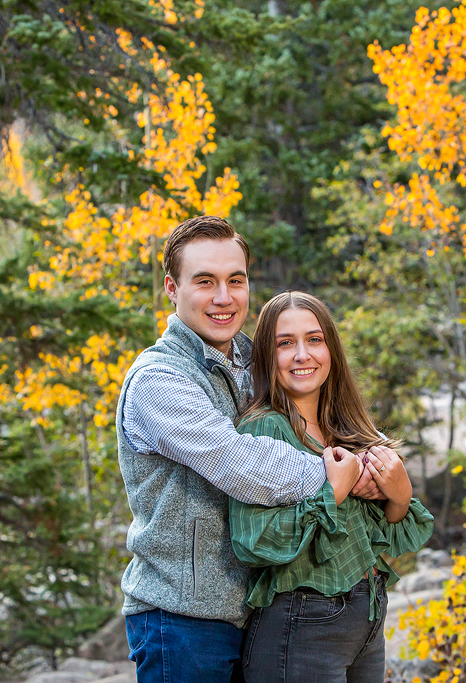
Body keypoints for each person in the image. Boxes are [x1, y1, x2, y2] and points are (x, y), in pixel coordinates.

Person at [116, 217, 381, 683]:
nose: (224, 297)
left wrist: (378, 463)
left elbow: (317, 415)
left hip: (262, 612)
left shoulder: (255, 360)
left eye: (235, 281)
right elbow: (240, 462)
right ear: (171, 289)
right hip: (183, 620)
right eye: (205, 282)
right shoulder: (158, 380)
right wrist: (339, 476)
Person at [230, 292, 435, 683]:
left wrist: (400, 491)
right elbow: (254, 541)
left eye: (315, 339)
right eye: (284, 343)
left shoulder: (347, 426)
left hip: (367, 618)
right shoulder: (264, 429)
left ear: (332, 349)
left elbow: (387, 532)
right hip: (302, 626)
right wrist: (333, 493)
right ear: (266, 358)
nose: (302, 354)